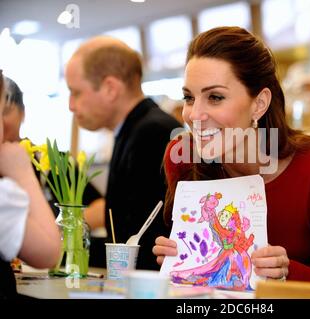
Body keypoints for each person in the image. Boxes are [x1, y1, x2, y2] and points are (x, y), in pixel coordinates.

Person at [152, 27, 310, 284]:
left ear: (259, 104)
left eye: (215, 97)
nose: (194, 115)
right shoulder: (183, 159)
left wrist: (286, 274)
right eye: (189, 97)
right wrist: (178, 260)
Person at [65, 36, 181, 270]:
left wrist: (60, 249)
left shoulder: (152, 133)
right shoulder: (134, 129)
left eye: (76, 92)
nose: (71, 105)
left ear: (110, 88)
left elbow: (142, 245)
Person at [1, 76, 103, 223]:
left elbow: (100, 207)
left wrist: (65, 228)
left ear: (23, 113)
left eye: (5, 111)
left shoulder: (52, 160)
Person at [0, 70, 61, 298]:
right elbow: (47, 253)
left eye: (7, 111)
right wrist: (24, 173)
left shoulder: (47, 157)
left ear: (23, 113)